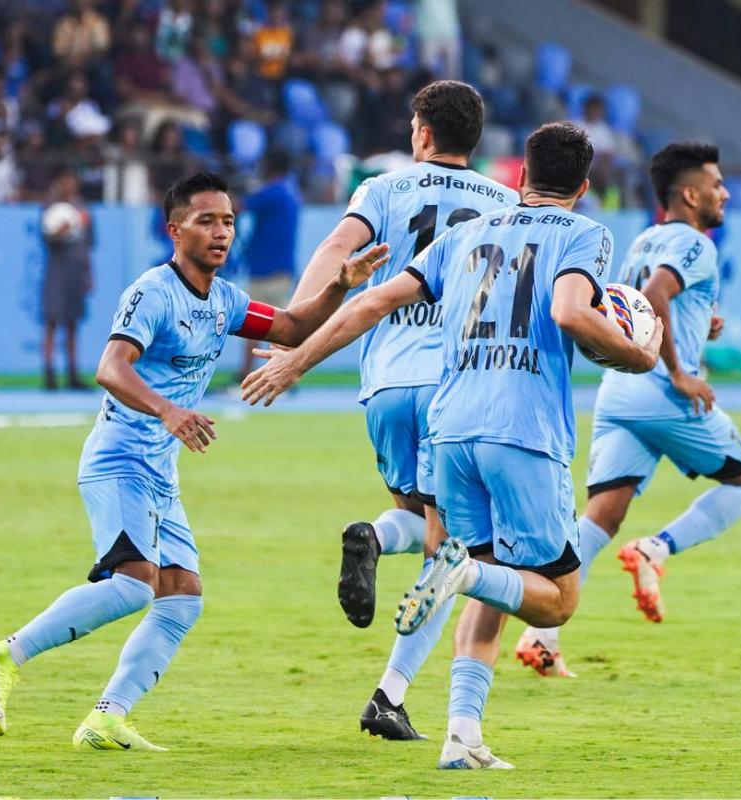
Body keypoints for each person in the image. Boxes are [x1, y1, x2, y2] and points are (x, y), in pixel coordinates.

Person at [243, 122, 663, 768]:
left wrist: (297, 360)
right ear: (582, 187)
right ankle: (456, 572)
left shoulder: (463, 235)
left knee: (490, 579)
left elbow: (374, 302)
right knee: (557, 597)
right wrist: (634, 354)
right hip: (522, 429)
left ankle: (461, 738)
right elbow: (570, 313)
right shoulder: (585, 233)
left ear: (519, 176)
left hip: (452, 426)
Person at [0, 172, 390, 751]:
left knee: (182, 596)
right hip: (119, 461)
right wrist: (168, 411)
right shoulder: (151, 292)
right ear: (174, 229)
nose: (221, 232)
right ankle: (2, 654)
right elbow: (111, 368)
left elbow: (292, 328)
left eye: (229, 221)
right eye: (207, 220)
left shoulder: (224, 299)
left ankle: (108, 717)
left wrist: (341, 285)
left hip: (160, 472)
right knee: (134, 587)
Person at [285, 79, 517, 742]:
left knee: (426, 527)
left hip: (387, 383)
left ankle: (379, 542)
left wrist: (301, 321)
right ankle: (389, 693)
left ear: (421, 133)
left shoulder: (384, 189)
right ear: (474, 138)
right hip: (459, 386)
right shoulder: (503, 204)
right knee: (455, 550)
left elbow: (338, 251)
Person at [515, 143, 741, 671]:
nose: (724, 193)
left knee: (601, 516)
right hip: (664, 394)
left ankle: (543, 638)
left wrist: (702, 324)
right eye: (716, 185)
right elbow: (655, 296)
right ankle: (657, 548)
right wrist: (681, 371)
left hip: (619, 391)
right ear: (691, 194)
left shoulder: (644, 240)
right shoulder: (695, 244)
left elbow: (634, 306)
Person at [236, 149, 301, 382]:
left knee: (253, 325)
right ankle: (283, 375)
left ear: (270, 165)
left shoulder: (273, 192)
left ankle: (245, 374)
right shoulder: (289, 192)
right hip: (281, 268)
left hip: (265, 269)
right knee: (282, 328)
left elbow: (239, 206)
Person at [40, 168, 93, 390]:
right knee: (52, 321)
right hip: (57, 269)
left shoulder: (82, 209)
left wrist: (89, 274)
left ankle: (72, 373)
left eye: (72, 180)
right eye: (65, 180)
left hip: (76, 270)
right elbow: (46, 237)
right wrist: (60, 231)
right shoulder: (52, 208)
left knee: (73, 323)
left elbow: (88, 245)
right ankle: (49, 374)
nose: (69, 184)